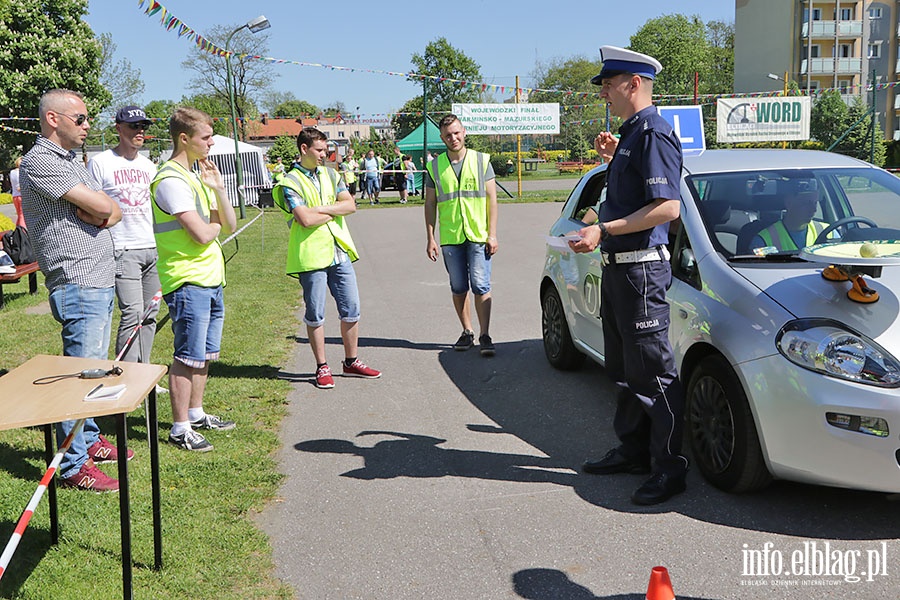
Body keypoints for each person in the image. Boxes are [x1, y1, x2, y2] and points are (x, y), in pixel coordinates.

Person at [569, 47, 689, 506]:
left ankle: (670, 468)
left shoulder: (654, 132)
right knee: (622, 371)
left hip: (641, 272)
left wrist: (602, 229)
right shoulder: (633, 135)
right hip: (620, 272)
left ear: (633, 84)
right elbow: (631, 195)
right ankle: (635, 451)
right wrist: (614, 159)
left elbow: (667, 208)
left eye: (609, 83)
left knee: (654, 373)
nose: (604, 91)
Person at [20, 88, 125, 492]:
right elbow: (101, 209)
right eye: (79, 119)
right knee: (78, 373)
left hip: (98, 275)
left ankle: (91, 439)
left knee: (92, 368)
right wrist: (100, 210)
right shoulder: (41, 161)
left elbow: (113, 210)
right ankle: (74, 465)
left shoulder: (72, 162)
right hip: (78, 278)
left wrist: (101, 210)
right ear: (53, 119)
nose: (87, 126)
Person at [150, 107, 237, 452]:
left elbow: (228, 223)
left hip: (210, 278)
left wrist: (217, 188)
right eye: (205, 137)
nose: (211, 142)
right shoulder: (170, 180)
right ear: (183, 139)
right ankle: (179, 426)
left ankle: (196, 413)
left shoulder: (197, 177)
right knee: (186, 356)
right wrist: (214, 225)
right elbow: (204, 233)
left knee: (203, 355)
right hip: (187, 280)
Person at [272, 127, 381, 389]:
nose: (325, 155)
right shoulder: (289, 182)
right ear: (304, 149)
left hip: (339, 252)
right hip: (311, 257)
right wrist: (334, 210)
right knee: (316, 314)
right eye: (320, 150)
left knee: (351, 309)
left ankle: (351, 361)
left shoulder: (331, 175)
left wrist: (321, 208)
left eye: (326, 150)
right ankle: (322, 366)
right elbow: (305, 219)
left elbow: (350, 205)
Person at [88, 106, 162, 373]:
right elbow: (91, 207)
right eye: (133, 126)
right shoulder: (100, 163)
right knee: (132, 313)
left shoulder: (149, 166)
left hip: (152, 248)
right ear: (118, 128)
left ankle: (144, 371)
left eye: (143, 127)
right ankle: (126, 374)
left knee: (150, 314)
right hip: (122, 248)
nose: (139, 131)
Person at [424, 114, 498, 357]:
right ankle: (467, 331)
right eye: (447, 135)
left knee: (481, 285)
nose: (453, 138)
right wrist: (431, 238)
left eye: (456, 133)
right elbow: (430, 204)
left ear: (464, 132)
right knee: (458, 287)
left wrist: (492, 234)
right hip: (451, 236)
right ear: (442, 138)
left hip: (478, 234)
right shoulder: (434, 166)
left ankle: (485, 334)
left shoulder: (481, 160)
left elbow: (492, 201)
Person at [748, 179, 827, 253]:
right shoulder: (763, 240)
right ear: (789, 203)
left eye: (815, 203)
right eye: (806, 203)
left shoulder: (827, 231)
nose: (814, 209)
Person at [9, 157, 25, 228]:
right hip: (21, 196)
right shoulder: (21, 172)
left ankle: (17, 231)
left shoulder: (12, 172)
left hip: (15, 196)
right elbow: (19, 187)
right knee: (22, 215)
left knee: (19, 215)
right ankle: (23, 231)